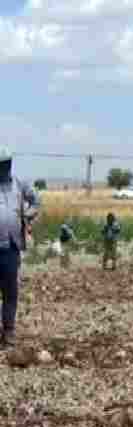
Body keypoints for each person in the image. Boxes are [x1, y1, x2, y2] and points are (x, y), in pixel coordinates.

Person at [0, 146, 40, 347]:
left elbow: (35, 201)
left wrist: (28, 214)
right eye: (1, 165)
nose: (4, 168)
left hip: (11, 247)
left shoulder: (19, 184)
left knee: (10, 291)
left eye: (6, 164)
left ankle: (8, 331)